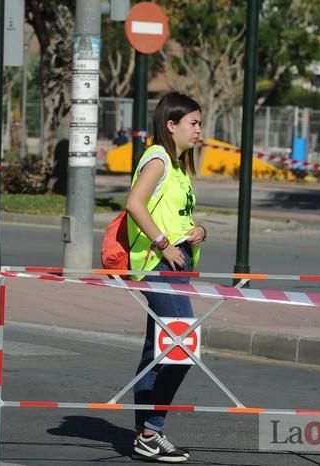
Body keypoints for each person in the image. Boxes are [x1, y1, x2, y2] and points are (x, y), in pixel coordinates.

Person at [125, 92, 207, 463]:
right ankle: (151, 431)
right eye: (194, 123)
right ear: (170, 125)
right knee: (182, 346)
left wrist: (198, 231)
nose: (199, 130)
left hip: (177, 265)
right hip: (160, 265)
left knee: (156, 349)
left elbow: (180, 216)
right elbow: (134, 203)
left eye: (200, 123)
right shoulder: (158, 159)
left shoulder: (178, 165)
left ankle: (146, 434)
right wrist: (163, 244)